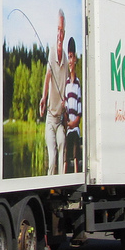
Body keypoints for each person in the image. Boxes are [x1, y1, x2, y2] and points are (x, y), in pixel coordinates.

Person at [38, 9, 68, 175]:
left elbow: (69, 85)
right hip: (50, 118)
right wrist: (44, 98)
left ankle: (62, 184)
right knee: (52, 157)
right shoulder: (51, 53)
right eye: (57, 29)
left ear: (64, 33)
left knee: (62, 144)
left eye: (61, 30)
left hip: (60, 119)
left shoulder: (64, 57)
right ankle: (51, 182)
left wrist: (66, 103)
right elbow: (47, 77)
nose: (59, 33)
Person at [64, 37, 83, 174]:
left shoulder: (77, 83)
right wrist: (67, 122)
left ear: (75, 59)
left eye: (71, 57)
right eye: (68, 57)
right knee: (66, 155)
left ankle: (77, 174)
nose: (70, 61)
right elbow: (64, 105)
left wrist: (74, 123)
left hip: (75, 128)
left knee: (76, 155)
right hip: (68, 127)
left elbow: (79, 109)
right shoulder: (65, 83)